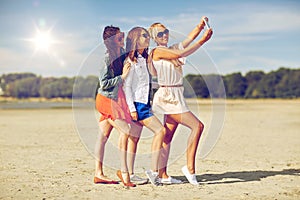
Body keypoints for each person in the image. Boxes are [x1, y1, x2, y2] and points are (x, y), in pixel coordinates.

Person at [148, 17, 213, 185]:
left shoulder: (171, 48)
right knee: (197, 126)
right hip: (168, 96)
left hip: (177, 93)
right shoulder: (157, 52)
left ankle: (162, 175)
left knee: (167, 136)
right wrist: (203, 41)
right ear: (155, 38)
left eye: (166, 31)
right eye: (160, 33)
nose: (165, 35)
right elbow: (180, 54)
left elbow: (187, 40)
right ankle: (190, 169)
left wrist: (199, 27)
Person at [123, 27, 166, 186]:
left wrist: (162, 85)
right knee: (160, 130)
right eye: (144, 36)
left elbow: (146, 83)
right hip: (138, 105)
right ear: (135, 39)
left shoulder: (144, 58)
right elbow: (127, 86)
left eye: (148, 36)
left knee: (134, 139)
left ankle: (129, 173)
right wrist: (132, 109)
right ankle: (154, 172)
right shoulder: (130, 61)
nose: (147, 38)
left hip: (144, 102)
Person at [94, 25, 135, 187]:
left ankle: (98, 174)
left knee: (102, 137)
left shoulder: (121, 54)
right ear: (111, 41)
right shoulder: (106, 59)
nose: (122, 39)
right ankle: (124, 173)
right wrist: (123, 76)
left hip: (116, 99)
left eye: (122, 36)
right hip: (106, 99)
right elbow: (104, 84)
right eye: (119, 37)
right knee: (126, 131)